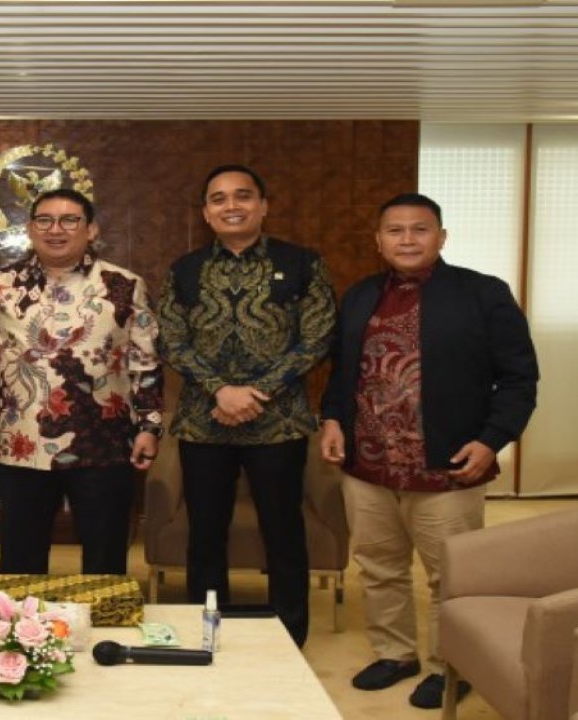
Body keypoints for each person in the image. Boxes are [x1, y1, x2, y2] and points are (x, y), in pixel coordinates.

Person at [319, 192, 539, 709]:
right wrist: (331, 418)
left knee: (451, 576)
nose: (407, 239)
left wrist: (491, 440)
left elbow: (519, 379)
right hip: (368, 466)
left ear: (441, 237)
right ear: (379, 241)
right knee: (378, 566)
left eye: (420, 229)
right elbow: (341, 372)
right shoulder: (360, 295)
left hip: (449, 467)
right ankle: (395, 653)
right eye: (395, 230)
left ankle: (450, 665)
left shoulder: (483, 294)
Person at [156, 164, 335, 648]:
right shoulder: (185, 269)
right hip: (204, 423)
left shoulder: (302, 263)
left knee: (284, 533)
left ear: (263, 205)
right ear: (206, 213)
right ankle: (208, 632)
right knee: (206, 536)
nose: (231, 206)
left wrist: (255, 393)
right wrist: (221, 389)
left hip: (277, 423)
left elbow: (317, 337)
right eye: (218, 199)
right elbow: (171, 340)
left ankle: (288, 636)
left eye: (242, 196)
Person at [0, 188, 163, 575]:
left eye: (70, 220)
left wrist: (150, 426)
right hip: (20, 442)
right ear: (30, 228)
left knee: (105, 557)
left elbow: (146, 362)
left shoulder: (124, 285)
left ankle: (104, 635)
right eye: (45, 220)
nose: (57, 230)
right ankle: (22, 632)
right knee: (21, 558)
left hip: (104, 443)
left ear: (91, 230)